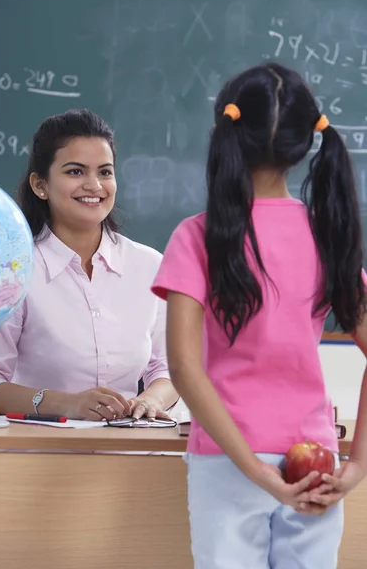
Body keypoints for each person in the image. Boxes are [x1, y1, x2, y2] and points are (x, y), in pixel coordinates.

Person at [151, 63, 367, 569]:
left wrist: (253, 469)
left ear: (224, 133)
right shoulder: (328, 236)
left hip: (226, 459)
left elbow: (184, 368)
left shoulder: (196, 235)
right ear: (307, 142)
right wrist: (356, 464)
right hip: (315, 460)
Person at [0, 109, 177, 421]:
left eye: (105, 172)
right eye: (75, 172)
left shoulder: (149, 265)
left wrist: (151, 400)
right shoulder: (13, 271)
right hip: (39, 454)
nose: (94, 185)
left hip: (132, 451)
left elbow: (169, 369)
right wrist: (64, 403)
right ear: (40, 185)